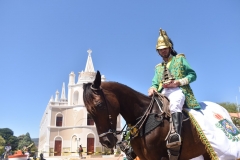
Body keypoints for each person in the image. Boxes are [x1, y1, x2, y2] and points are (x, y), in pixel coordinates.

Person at [148, 28, 200, 158]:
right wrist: (152, 88)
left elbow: (192, 75)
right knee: (150, 109)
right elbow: (155, 83)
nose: (163, 51)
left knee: (175, 103)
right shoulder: (158, 68)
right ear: (158, 51)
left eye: (165, 48)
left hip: (178, 90)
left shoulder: (180, 59)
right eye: (160, 49)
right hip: (163, 92)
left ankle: (175, 135)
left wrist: (178, 82)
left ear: (170, 47)